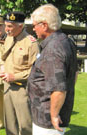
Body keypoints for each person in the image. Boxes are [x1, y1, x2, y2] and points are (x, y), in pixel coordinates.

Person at [27, 4, 77, 135]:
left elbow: (58, 88)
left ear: (44, 25)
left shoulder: (53, 49)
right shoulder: (66, 40)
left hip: (47, 118)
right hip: (53, 112)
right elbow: (74, 75)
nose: (33, 29)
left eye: (35, 25)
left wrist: (54, 115)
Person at [0, 11, 39, 135]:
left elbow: (36, 71)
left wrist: (14, 76)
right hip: (7, 86)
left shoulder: (31, 43)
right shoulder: (9, 39)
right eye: (6, 25)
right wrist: (3, 68)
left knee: (25, 124)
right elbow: (5, 58)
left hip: (22, 89)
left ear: (20, 26)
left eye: (10, 26)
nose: (7, 29)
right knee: (10, 123)